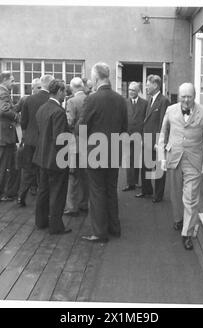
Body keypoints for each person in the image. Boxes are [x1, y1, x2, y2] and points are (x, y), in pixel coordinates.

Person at [156, 83, 203, 250]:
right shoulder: (170, 110)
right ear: (179, 96)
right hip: (174, 158)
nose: (186, 100)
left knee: (190, 198)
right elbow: (163, 135)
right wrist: (162, 157)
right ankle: (178, 219)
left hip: (194, 162)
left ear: (194, 96)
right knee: (175, 194)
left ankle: (187, 233)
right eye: (183, 96)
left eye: (189, 96)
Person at [78, 62, 128, 243]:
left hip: (95, 153)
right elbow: (124, 128)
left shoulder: (91, 99)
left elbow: (81, 128)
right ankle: (114, 227)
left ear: (97, 77)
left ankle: (100, 233)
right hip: (114, 151)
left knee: (97, 192)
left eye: (92, 77)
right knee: (110, 190)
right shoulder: (120, 99)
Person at [33, 79, 71, 235]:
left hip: (42, 157)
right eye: (64, 92)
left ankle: (41, 221)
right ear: (60, 91)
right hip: (56, 159)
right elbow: (59, 140)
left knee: (43, 191)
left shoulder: (42, 108)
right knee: (57, 193)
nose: (65, 95)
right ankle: (56, 226)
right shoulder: (59, 112)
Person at [17, 74, 54, 206]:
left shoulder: (29, 99)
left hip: (30, 140)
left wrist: (25, 136)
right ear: (50, 85)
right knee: (43, 171)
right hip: (44, 140)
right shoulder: (51, 100)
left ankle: (21, 196)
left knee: (28, 170)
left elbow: (23, 121)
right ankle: (42, 199)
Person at [136, 74, 170, 203]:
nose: (145, 87)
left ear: (155, 85)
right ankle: (146, 190)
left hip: (157, 141)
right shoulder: (150, 99)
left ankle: (158, 195)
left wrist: (160, 142)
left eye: (147, 84)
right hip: (147, 139)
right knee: (145, 166)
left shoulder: (164, 100)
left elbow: (164, 123)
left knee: (158, 169)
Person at [0, 71, 20, 202]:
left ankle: (6, 193)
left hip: (1, 133)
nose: (14, 83)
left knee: (5, 165)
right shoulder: (3, 93)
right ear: (4, 80)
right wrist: (16, 116)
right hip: (5, 135)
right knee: (3, 166)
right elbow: (4, 110)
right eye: (12, 81)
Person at [64, 77, 89, 216]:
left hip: (74, 140)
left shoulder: (71, 102)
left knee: (73, 175)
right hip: (88, 140)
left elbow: (69, 122)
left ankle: (72, 206)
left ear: (72, 87)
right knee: (85, 174)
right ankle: (84, 203)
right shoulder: (89, 99)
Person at [122, 81, 148, 191]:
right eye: (129, 90)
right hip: (127, 135)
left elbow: (146, 120)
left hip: (139, 135)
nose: (131, 92)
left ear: (138, 91)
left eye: (133, 90)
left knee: (137, 159)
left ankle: (137, 181)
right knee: (128, 159)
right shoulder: (124, 103)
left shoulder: (145, 103)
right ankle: (130, 183)